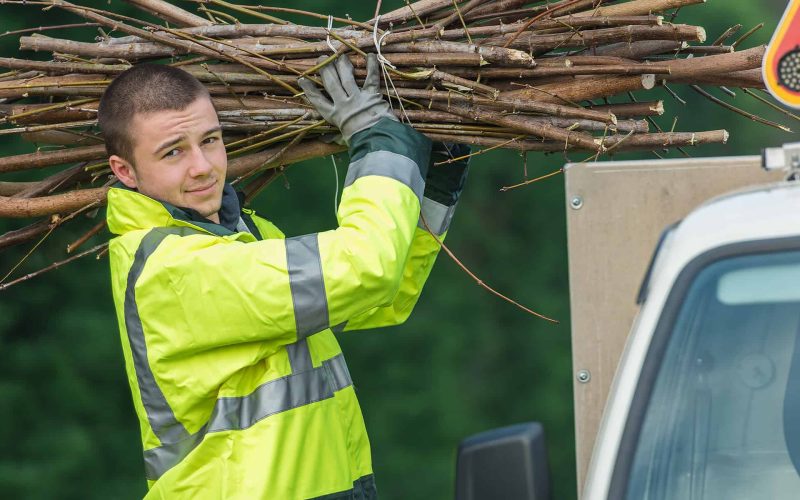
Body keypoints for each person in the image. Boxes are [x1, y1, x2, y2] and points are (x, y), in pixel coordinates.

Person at [102, 53, 468, 499]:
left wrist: (430, 184)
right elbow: (364, 267)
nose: (202, 166)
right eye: (173, 152)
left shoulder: (242, 236)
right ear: (125, 171)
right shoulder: (175, 270)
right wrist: (379, 141)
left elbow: (377, 299)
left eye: (210, 140)